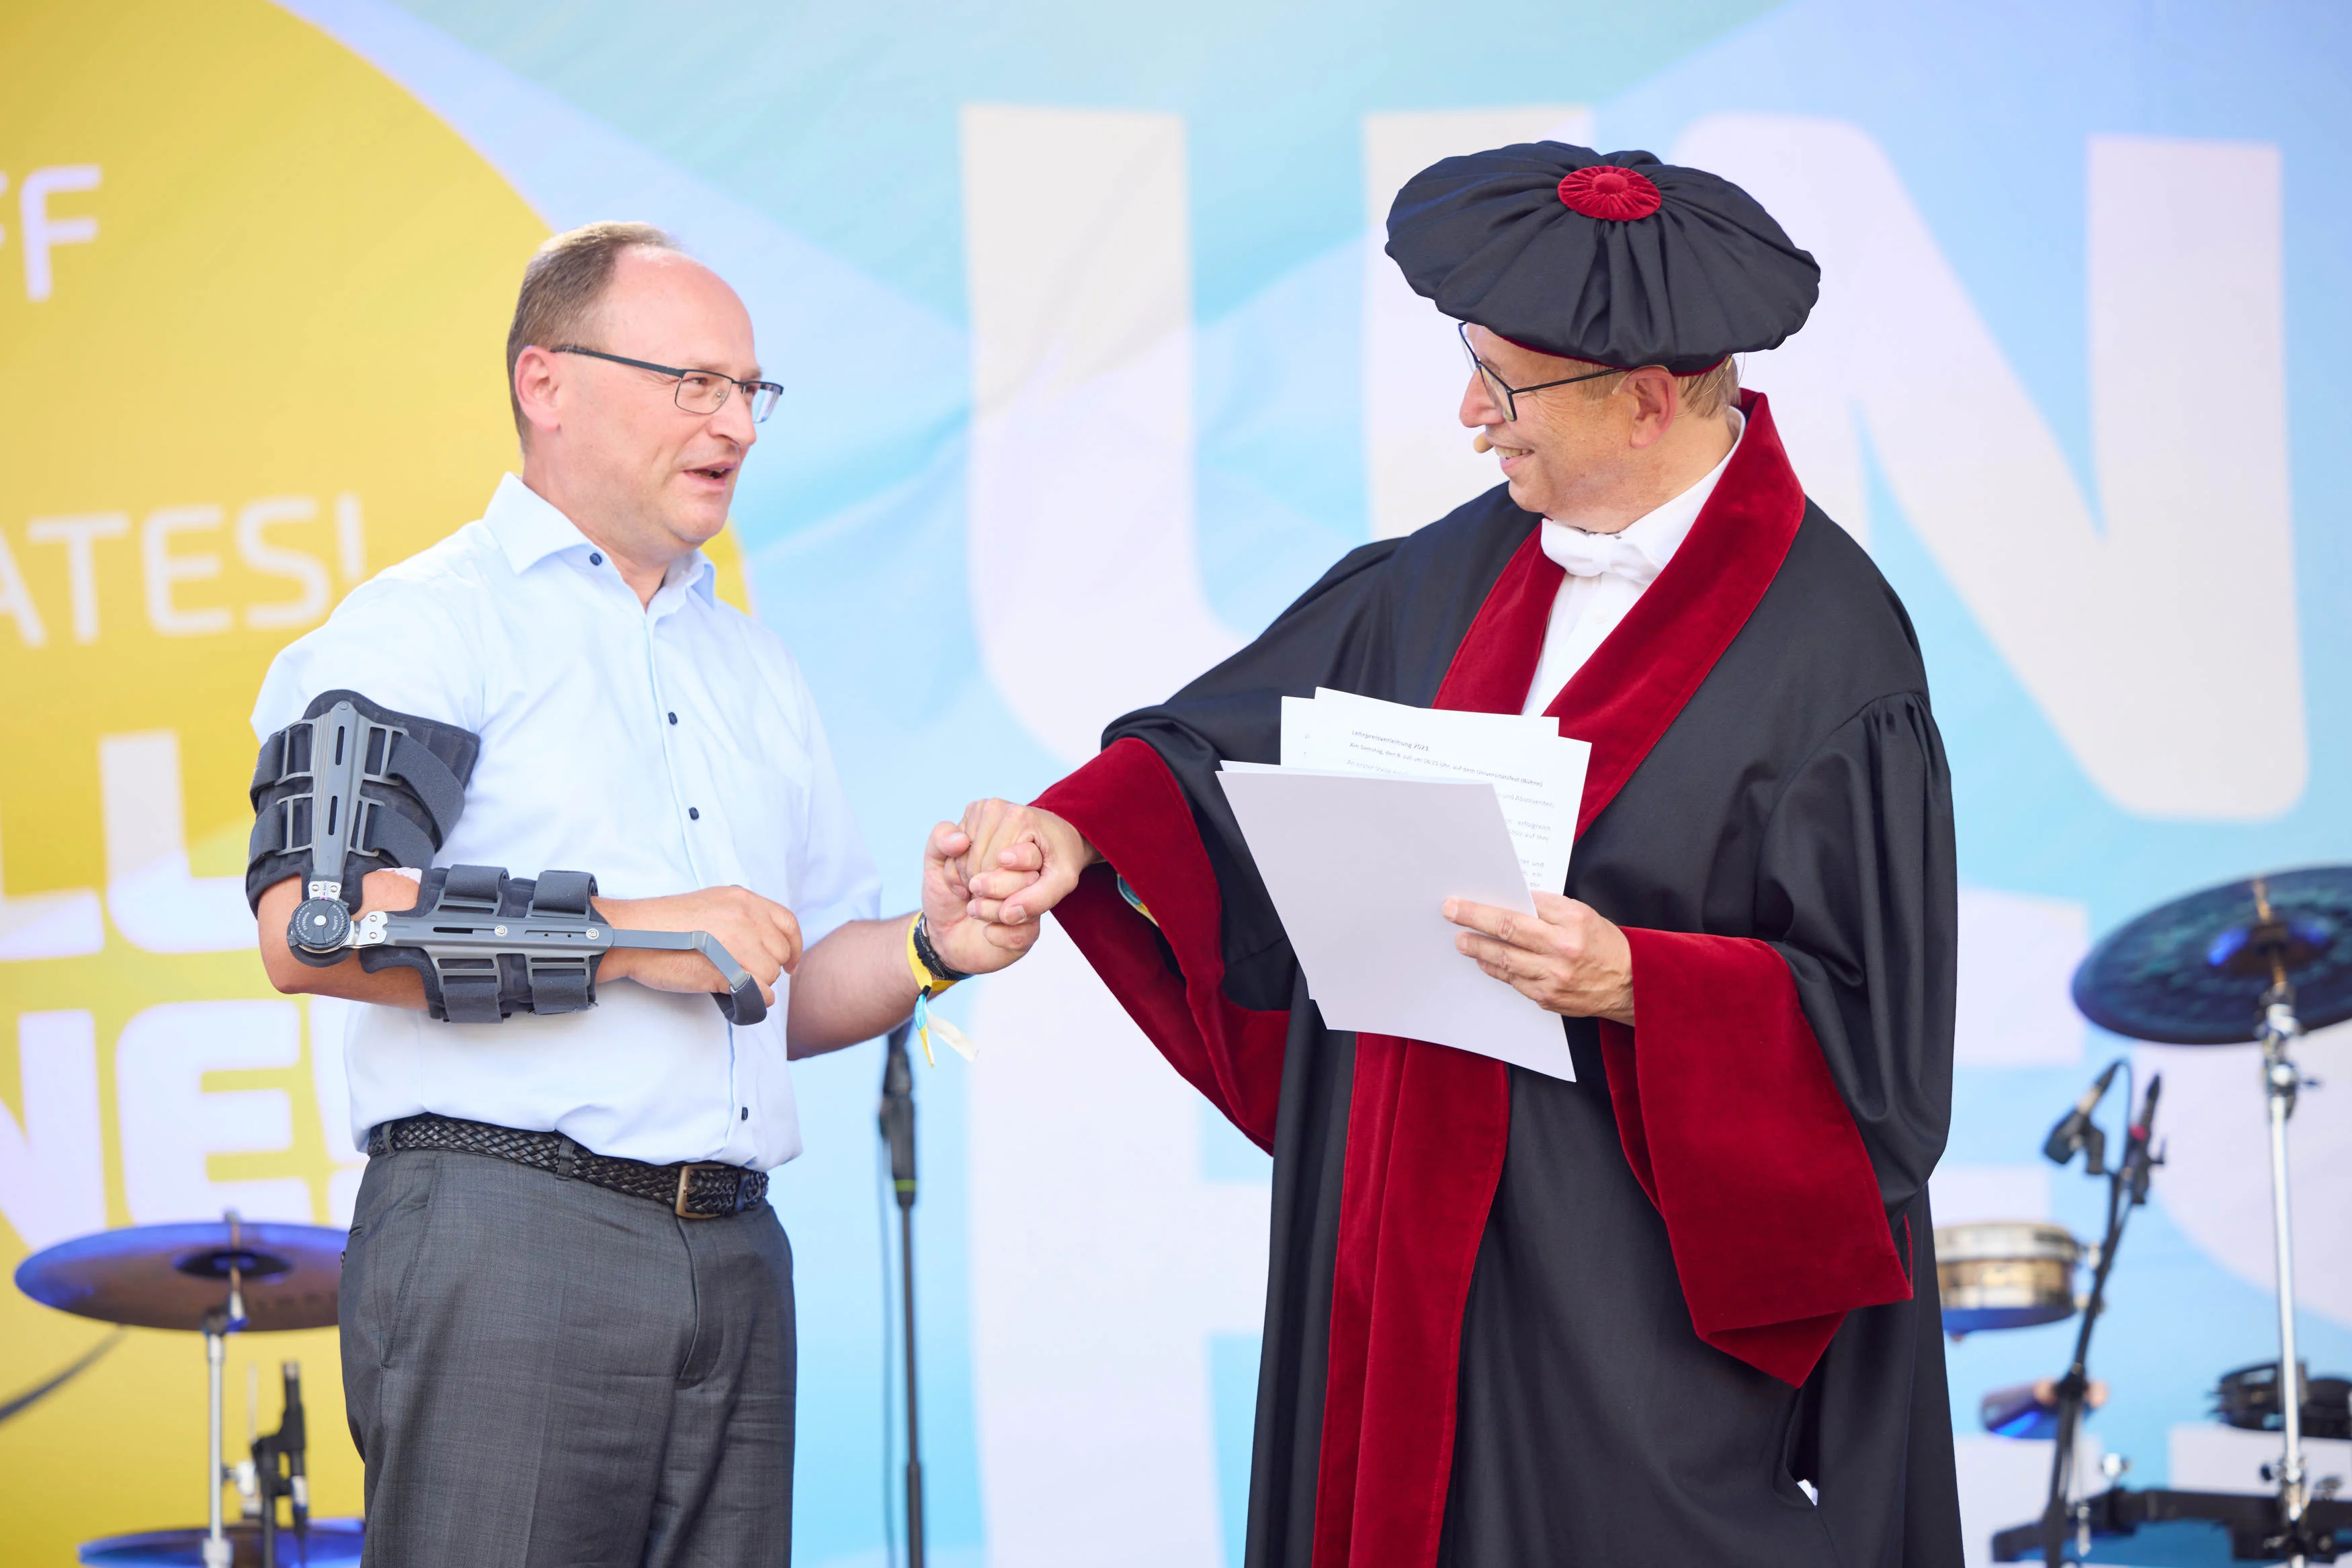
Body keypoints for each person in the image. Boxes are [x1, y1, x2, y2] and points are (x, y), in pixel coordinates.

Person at [956, 146, 1962, 1566]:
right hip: (1401, 1243)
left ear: (1647, 397)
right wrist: (1072, 829)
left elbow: (1880, 1057)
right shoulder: (1446, 572)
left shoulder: (1833, 654)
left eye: (1507, 383)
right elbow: (1227, 742)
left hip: (1623, 1305)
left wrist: (1638, 980)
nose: (1470, 414)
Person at [249, 221, 1028, 1567]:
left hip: (735, 1253)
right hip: (507, 1235)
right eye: (693, 383)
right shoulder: (423, 624)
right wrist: (627, 936)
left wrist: (930, 945)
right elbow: (316, 927)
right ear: (545, 382)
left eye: (750, 390)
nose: (736, 424)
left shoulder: (751, 666)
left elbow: (778, 981)